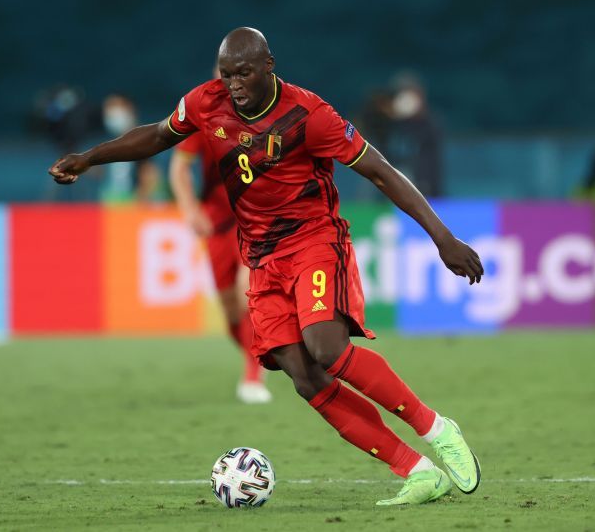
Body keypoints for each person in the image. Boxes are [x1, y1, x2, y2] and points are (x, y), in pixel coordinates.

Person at [49, 27, 484, 506]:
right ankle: (416, 470)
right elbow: (154, 136)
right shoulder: (204, 102)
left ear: (268, 66)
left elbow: (380, 170)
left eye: (244, 72)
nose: (233, 83)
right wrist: (89, 158)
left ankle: (436, 428)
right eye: (227, 73)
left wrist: (443, 238)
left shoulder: (309, 114)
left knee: (327, 349)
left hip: (314, 241)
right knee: (302, 375)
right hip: (259, 255)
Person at [168, 86, 271, 404]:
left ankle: (253, 377)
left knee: (245, 293)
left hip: (252, 221)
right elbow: (179, 167)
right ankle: (267, 357)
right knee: (228, 306)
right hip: (216, 223)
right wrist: (189, 208)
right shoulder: (206, 121)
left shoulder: (267, 120)